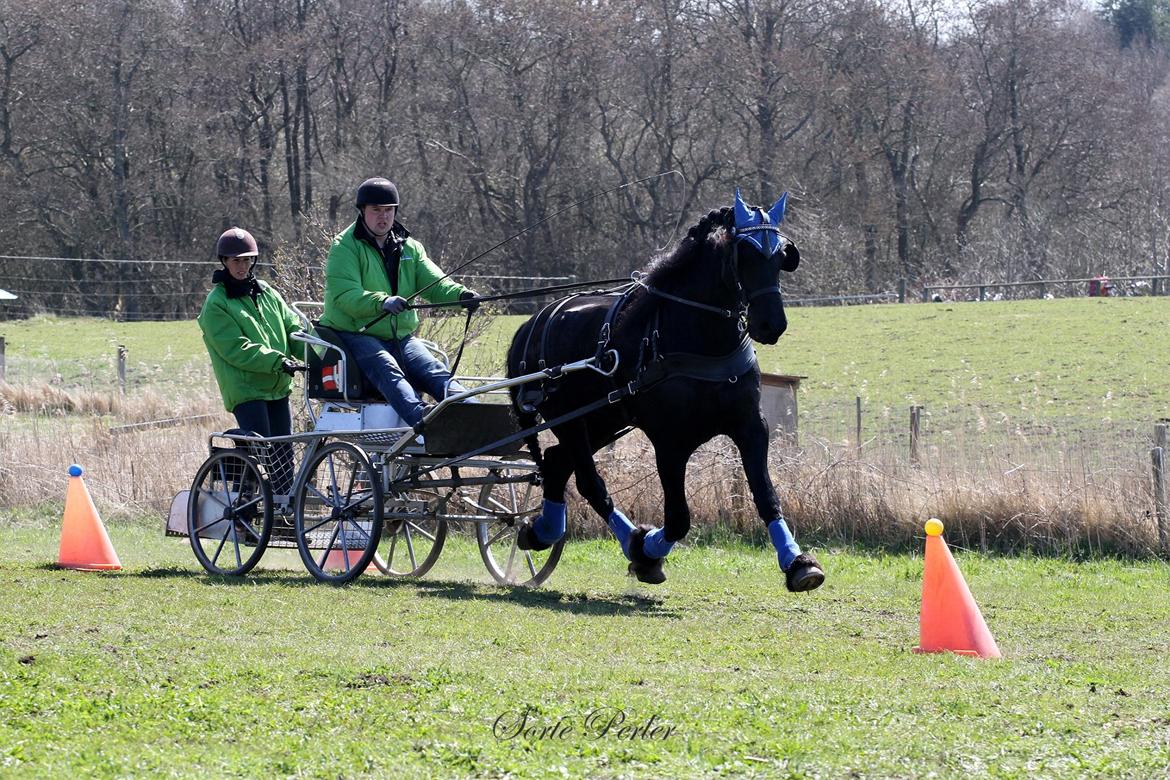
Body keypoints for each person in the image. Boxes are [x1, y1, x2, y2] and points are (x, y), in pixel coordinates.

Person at [319, 177, 478, 426]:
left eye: (389, 211)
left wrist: (461, 296)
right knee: (388, 370)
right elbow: (344, 295)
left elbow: (435, 284)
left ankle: (475, 416)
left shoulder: (410, 247)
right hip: (355, 333)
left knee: (434, 371)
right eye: (376, 211)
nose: (383, 217)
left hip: (400, 337)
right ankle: (427, 424)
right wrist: (381, 301)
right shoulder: (344, 246)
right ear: (362, 212)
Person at [198, 226, 304, 493]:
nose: (242, 266)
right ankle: (245, 511)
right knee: (263, 455)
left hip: (277, 385)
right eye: (236, 261)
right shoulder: (216, 304)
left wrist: (317, 350)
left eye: (247, 260)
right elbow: (237, 349)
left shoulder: (266, 292)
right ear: (224, 261)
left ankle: (282, 516)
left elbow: (291, 328)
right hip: (246, 389)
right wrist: (278, 361)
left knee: (283, 456)